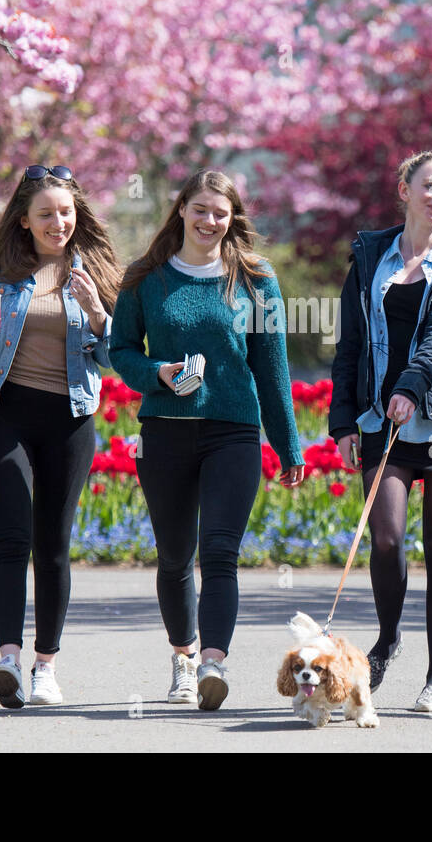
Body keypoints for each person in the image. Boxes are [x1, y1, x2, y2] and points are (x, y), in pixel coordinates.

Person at [109, 169, 305, 711]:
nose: (210, 221)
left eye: (220, 213)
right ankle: (184, 658)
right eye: (200, 209)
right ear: (181, 211)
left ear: (232, 218)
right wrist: (157, 373)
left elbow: (272, 368)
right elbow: (120, 349)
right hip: (166, 433)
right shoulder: (145, 276)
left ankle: (214, 663)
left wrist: (289, 446)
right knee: (175, 555)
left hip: (233, 433)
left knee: (221, 551)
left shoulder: (256, 279)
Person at [328, 150, 432, 714]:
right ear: (404, 189)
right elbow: (350, 342)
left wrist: (412, 384)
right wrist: (343, 420)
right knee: (388, 537)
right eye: (429, 185)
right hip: (382, 419)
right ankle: (388, 637)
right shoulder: (370, 253)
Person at [0, 164, 122, 710]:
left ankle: (45, 665)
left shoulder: (93, 274)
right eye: (46, 214)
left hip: (71, 421)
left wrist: (99, 314)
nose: (58, 222)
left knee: (53, 546)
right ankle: (7, 659)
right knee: (11, 539)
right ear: (24, 221)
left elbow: (115, 358)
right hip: (9, 418)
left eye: (66, 213)